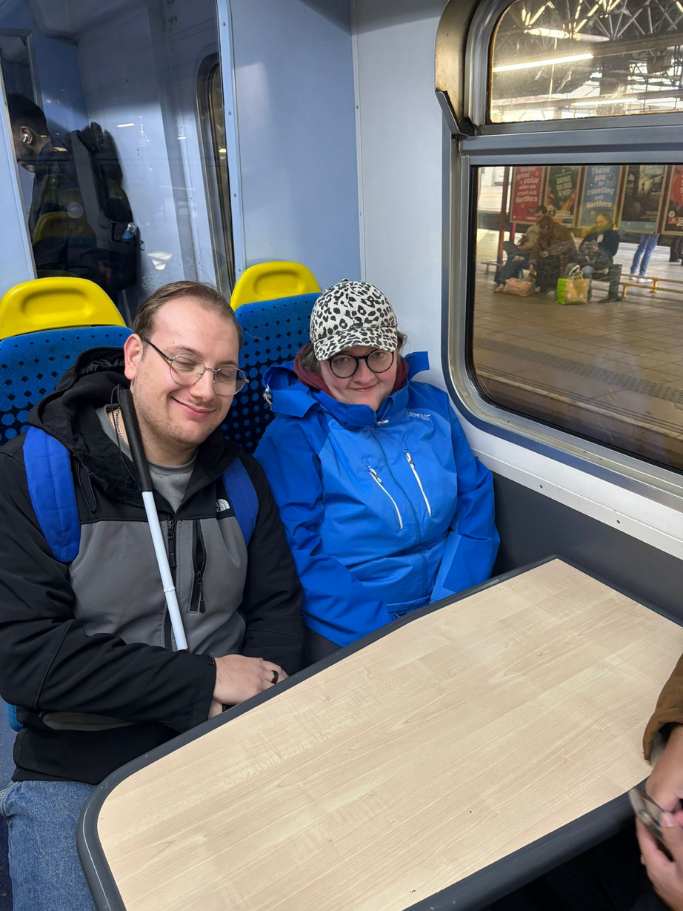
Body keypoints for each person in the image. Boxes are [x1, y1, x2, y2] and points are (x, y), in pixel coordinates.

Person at [0, 280, 304, 911]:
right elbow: (27, 658)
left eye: (224, 372)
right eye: (184, 362)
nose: (205, 389)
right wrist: (203, 681)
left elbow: (276, 606)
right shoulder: (32, 475)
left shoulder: (242, 478)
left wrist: (260, 693)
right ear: (135, 357)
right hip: (82, 760)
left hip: (225, 736)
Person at [254, 279, 499, 663]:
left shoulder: (432, 407)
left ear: (396, 349)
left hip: (451, 595)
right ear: (319, 362)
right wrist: (387, 635)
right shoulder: (294, 437)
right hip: (351, 621)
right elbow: (298, 554)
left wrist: (450, 602)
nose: (365, 375)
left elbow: (474, 503)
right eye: (343, 360)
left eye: (377, 355)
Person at [6, 93, 137, 305]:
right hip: (79, 290)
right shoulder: (54, 166)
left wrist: (75, 300)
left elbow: (83, 239)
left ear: (26, 136)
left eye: (7, 142)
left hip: (77, 295)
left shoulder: (60, 169)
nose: (12, 155)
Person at [565, 210, 621, 303]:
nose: (599, 224)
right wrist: (584, 247)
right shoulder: (593, 231)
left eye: (601, 222)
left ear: (607, 221)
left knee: (586, 270)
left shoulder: (613, 234)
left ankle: (586, 294)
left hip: (601, 260)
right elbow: (581, 246)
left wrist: (598, 250)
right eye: (597, 222)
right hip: (587, 258)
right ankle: (567, 291)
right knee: (570, 266)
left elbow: (612, 252)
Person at [494, 206, 547, 290]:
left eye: (539, 217)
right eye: (536, 217)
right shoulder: (532, 227)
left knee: (512, 257)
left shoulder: (546, 229)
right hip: (526, 251)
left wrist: (524, 247)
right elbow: (527, 239)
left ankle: (502, 282)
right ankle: (503, 281)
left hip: (534, 253)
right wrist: (522, 242)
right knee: (511, 255)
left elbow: (538, 244)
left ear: (545, 215)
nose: (537, 219)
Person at [530, 215, 578, 294]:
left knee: (548, 261)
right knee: (541, 261)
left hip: (565, 257)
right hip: (549, 257)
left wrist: (550, 252)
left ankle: (548, 286)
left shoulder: (561, 230)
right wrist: (532, 261)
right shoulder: (543, 234)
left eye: (543, 228)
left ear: (547, 227)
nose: (541, 230)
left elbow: (567, 246)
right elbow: (536, 248)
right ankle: (542, 286)